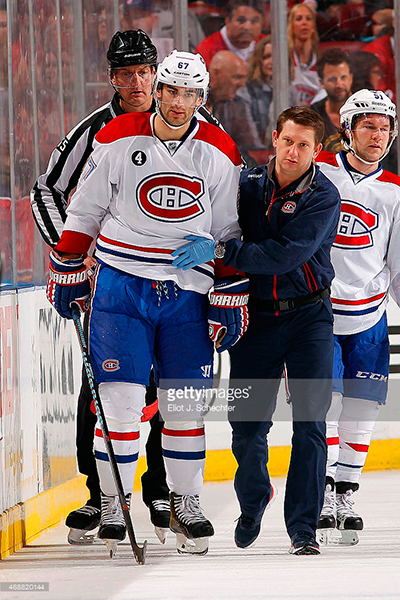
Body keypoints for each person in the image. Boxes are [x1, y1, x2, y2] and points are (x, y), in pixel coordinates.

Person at [45, 50, 242, 556]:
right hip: (121, 282)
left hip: (187, 293)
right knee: (120, 403)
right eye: (172, 91)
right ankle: (113, 500)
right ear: (158, 91)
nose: (180, 103)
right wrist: (68, 264)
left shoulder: (220, 150)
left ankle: (186, 501)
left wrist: (228, 285)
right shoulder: (116, 136)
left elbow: (228, 229)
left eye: (191, 94)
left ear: (203, 97)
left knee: (184, 407)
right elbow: (85, 205)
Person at [173, 106, 341, 555]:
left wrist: (225, 250)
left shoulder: (324, 196)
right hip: (255, 320)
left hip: (310, 320)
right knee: (246, 426)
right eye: (287, 140)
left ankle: (303, 529)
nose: (293, 150)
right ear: (274, 137)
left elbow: (288, 254)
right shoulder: (244, 184)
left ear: (316, 150)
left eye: (304, 144)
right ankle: (254, 498)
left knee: (310, 424)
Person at [31, 30, 167, 546]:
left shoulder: (189, 121)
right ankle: (99, 493)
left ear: (155, 72)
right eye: (126, 74)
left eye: (144, 72)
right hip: (108, 278)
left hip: (172, 279)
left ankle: (160, 489)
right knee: (103, 388)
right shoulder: (93, 129)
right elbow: (46, 189)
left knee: (166, 387)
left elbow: (226, 184)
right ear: (111, 77)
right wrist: (72, 251)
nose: (137, 83)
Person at [316, 90, 400, 545]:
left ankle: (346, 495)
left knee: (362, 409)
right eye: (368, 125)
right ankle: (325, 494)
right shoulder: (320, 172)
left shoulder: (394, 191)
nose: (378, 135)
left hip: (369, 317)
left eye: (385, 127)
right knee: (325, 406)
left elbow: (399, 263)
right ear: (347, 129)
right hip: (319, 313)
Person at [206, 50, 263, 159]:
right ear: (216, 73)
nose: (242, 84)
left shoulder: (239, 105)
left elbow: (252, 148)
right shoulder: (194, 103)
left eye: (243, 78)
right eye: (237, 77)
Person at [195, 0, 264, 67]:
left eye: (254, 21)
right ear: (227, 21)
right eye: (241, 21)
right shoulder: (206, 51)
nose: (247, 27)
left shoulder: (267, 45)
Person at [310, 48, 353, 152]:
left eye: (343, 78)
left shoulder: (368, 111)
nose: (339, 84)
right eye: (332, 79)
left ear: (350, 78)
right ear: (321, 82)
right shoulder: (313, 115)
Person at [237, 36, 274, 149]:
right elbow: (250, 134)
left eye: (277, 57)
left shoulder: (290, 90)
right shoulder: (246, 89)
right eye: (266, 57)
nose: (272, 62)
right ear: (258, 60)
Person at [288, 2, 322, 106]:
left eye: (308, 19)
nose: (304, 23)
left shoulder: (320, 58)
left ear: (313, 26)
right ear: (291, 25)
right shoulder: (284, 58)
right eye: (299, 19)